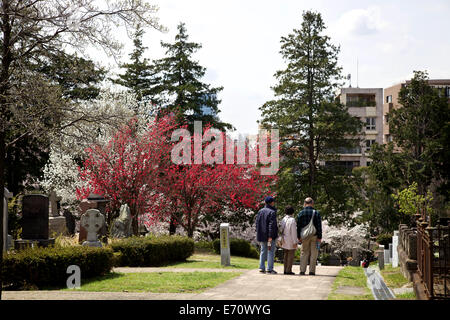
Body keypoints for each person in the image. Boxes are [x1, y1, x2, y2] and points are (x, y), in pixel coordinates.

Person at [297, 197, 322, 275]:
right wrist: (319, 237)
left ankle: (302, 270)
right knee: (314, 253)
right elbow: (319, 226)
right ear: (312, 203)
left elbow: (298, 226)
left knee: (304, 252)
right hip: (314, 236)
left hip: (304, 236)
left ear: (305, 203)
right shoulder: (316, 213)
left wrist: (299, 237)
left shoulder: (301, 213)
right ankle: (312, 271)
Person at [256, 196, 278, 274]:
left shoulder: (260, 211)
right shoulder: (272, 212)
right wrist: (270, 236)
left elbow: (257, 224)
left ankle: (261, 267)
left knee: (263, 251)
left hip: (262, 235)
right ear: (272, 202)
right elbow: (271, 225)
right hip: (270, 236)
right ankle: (269, 268)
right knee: (270, 251)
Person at [280, 205, 298, 275]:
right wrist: (295, 241)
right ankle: (288, 270)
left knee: (285, 255)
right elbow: (293, 231)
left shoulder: (283, 219)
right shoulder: (292, 220)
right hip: (290, 239)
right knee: (291, 255)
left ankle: (285, 269)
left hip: (284, 239)